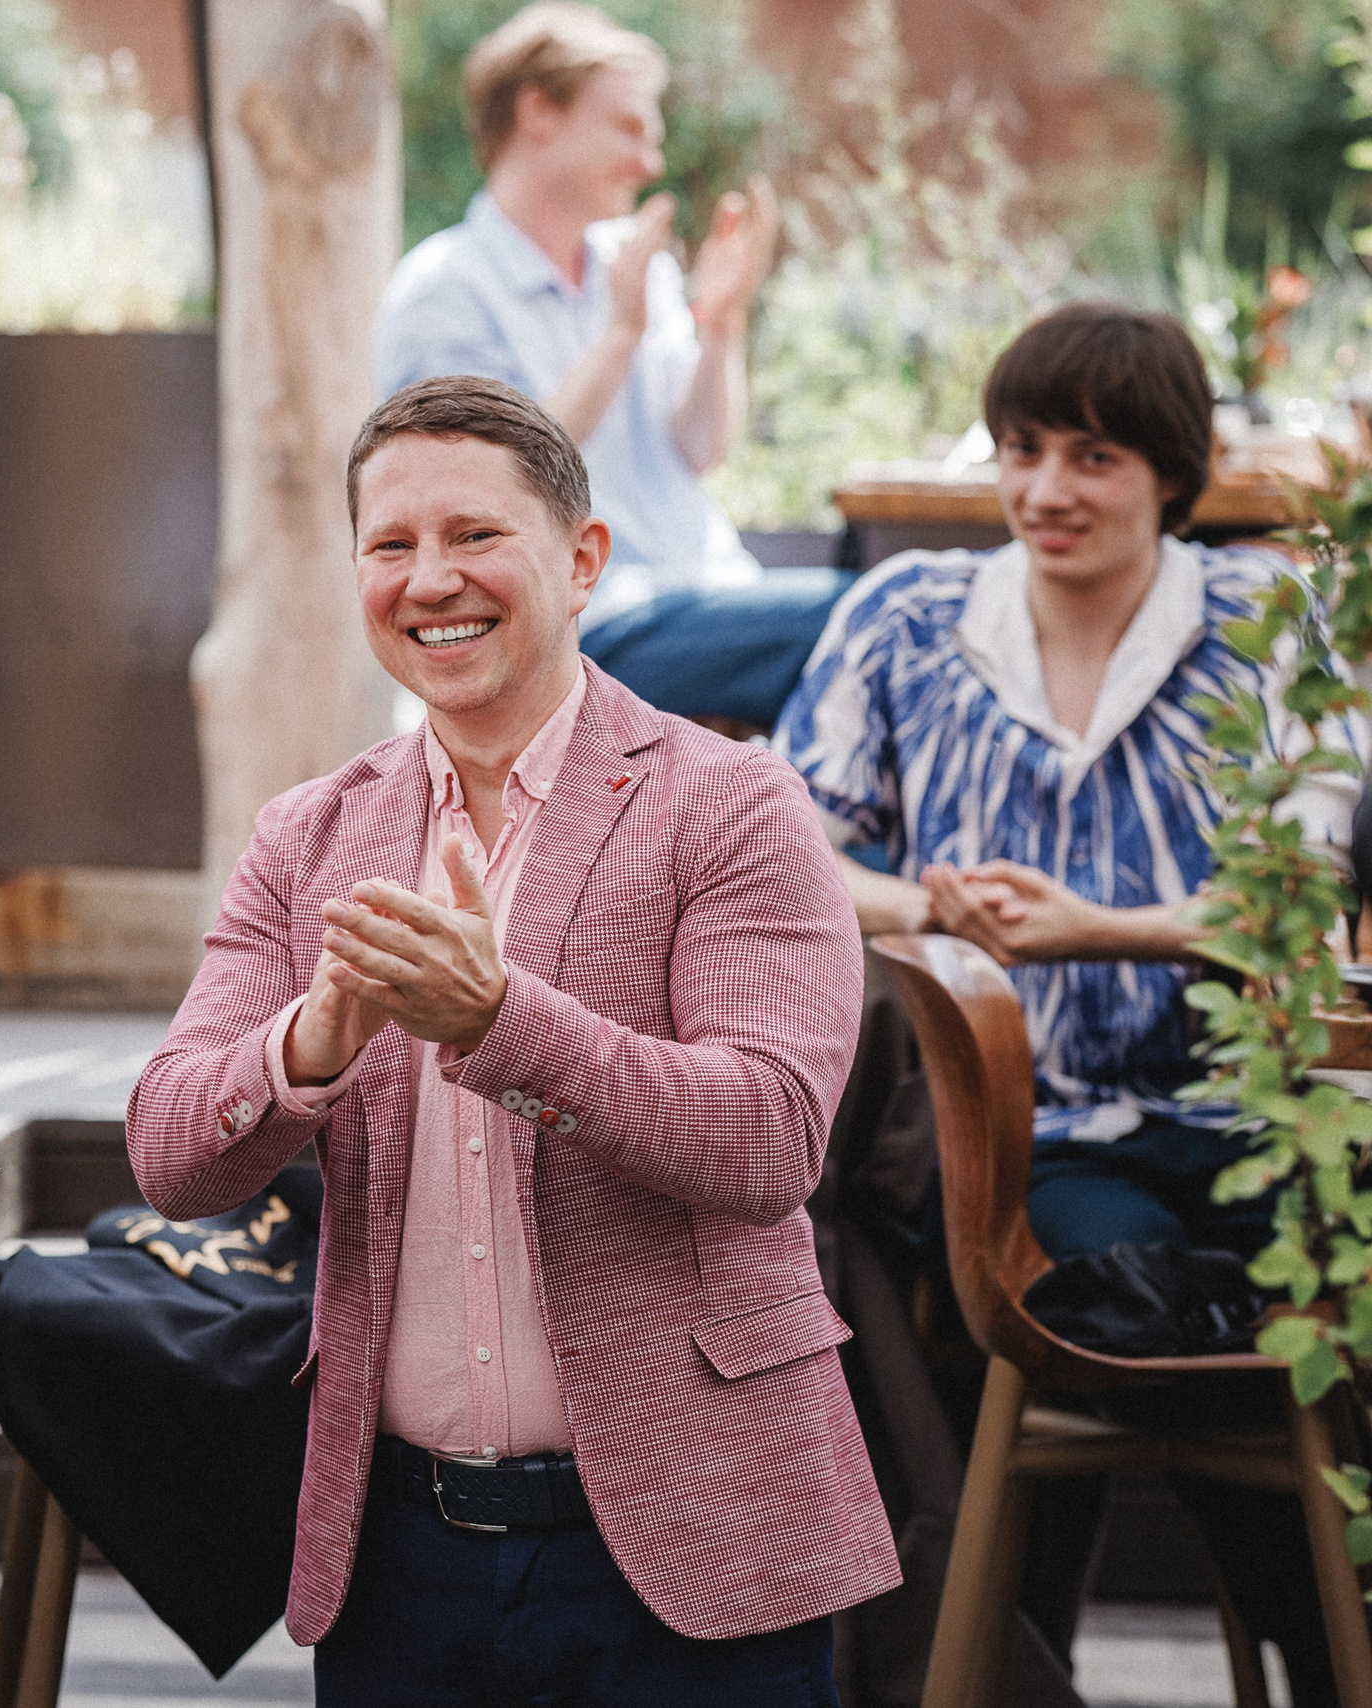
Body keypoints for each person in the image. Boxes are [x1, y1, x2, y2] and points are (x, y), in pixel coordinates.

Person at [127, 374, 895, 1705]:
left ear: (583, 559)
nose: (432, 581)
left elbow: (771, 1138)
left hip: (693, 1542)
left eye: (477, 536)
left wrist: (499, 1022)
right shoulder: (308, 838)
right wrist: (311, 1042)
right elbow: (171, 1155)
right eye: (392, 545)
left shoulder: (731, 805)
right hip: (402, 1563)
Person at [775, 300, 1351, 1704]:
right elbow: (773, 849)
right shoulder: (906, 618)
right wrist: (930, 909)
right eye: (1022, 449)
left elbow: (1304, 888)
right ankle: (1320, 1655)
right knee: (1142, 1295)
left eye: (1091, 457)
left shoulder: (1272, 622)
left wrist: (1108, 928)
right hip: (1012, 1134)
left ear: (1172, 470)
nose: (1043, 491)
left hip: (1252, 1114)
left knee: (1244, 1298)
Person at [373, 2, 840, 730]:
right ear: (537, 112)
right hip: (591, 622)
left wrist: (722, 323)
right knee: (871, 615)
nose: (650, 163)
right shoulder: (444, 290)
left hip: (701, 595)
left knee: (893, 629)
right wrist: (621, 334)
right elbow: (480, 484)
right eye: (628, 128)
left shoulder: (632, 266)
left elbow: (700, 447)